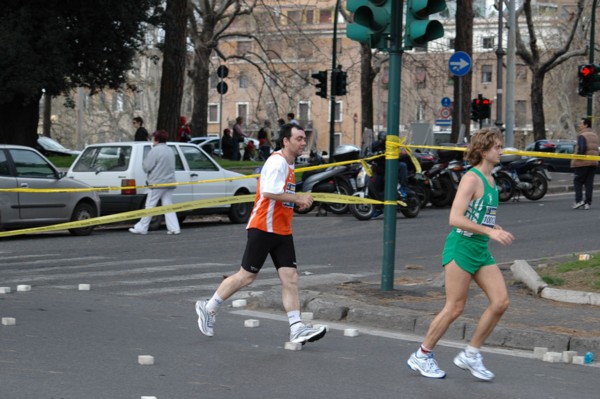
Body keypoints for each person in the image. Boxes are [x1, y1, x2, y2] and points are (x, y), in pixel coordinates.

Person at [194, 123, 327, 345]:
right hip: (264, 227)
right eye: (299, 139)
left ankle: (296, 327)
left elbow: (280, 195)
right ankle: (209, 308)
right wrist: (298, 198)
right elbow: (269, 191)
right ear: (286, 141)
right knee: (246, 276)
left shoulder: (289, 164)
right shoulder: (277, 161)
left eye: (304, 138)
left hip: (282, 230)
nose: (303, 142)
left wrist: (294, 204)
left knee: (290, 277)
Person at [407, 128, 514, 380]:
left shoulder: (491, 180)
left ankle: (471, 354)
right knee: (455, 307)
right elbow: (454, 218)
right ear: (484, 150)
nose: (501, 150)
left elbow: (478, 216)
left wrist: (492, 228)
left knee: (500, 302)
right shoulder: (471, 178)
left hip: (479, 248)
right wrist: (489, 232)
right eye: (497, 147)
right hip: (461, 247)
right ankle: (422, 354)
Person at [129, 130, 181, 235]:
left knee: (150, 205)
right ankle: (174, 228)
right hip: (169, 182)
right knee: (168, 205)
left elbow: (146, 167)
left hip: (157, 182)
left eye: (153, 138)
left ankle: (142, 227)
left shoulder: (155, 151)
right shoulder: (170, 150)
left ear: (156, 139)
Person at [369, 132, 409, 219]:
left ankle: (403, 189)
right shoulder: (375, 145)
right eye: (382, 141)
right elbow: (369, 152)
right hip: (381, 169)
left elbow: (400, 153)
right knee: (375, 186)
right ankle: (378, 208)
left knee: (402, 166)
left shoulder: (392, 144)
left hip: (392, 167)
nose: (383, 142)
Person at [571, 117, 599, 210]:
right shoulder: (595, 135)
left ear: (586, 125)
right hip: (593, 162)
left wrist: (577, 157)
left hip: (582, 163)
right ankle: (588, 203)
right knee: (589, 183)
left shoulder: (582, 135)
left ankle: (578, 201)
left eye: (581, 124)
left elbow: (582, 149)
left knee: (577, 181)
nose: (579, 125)